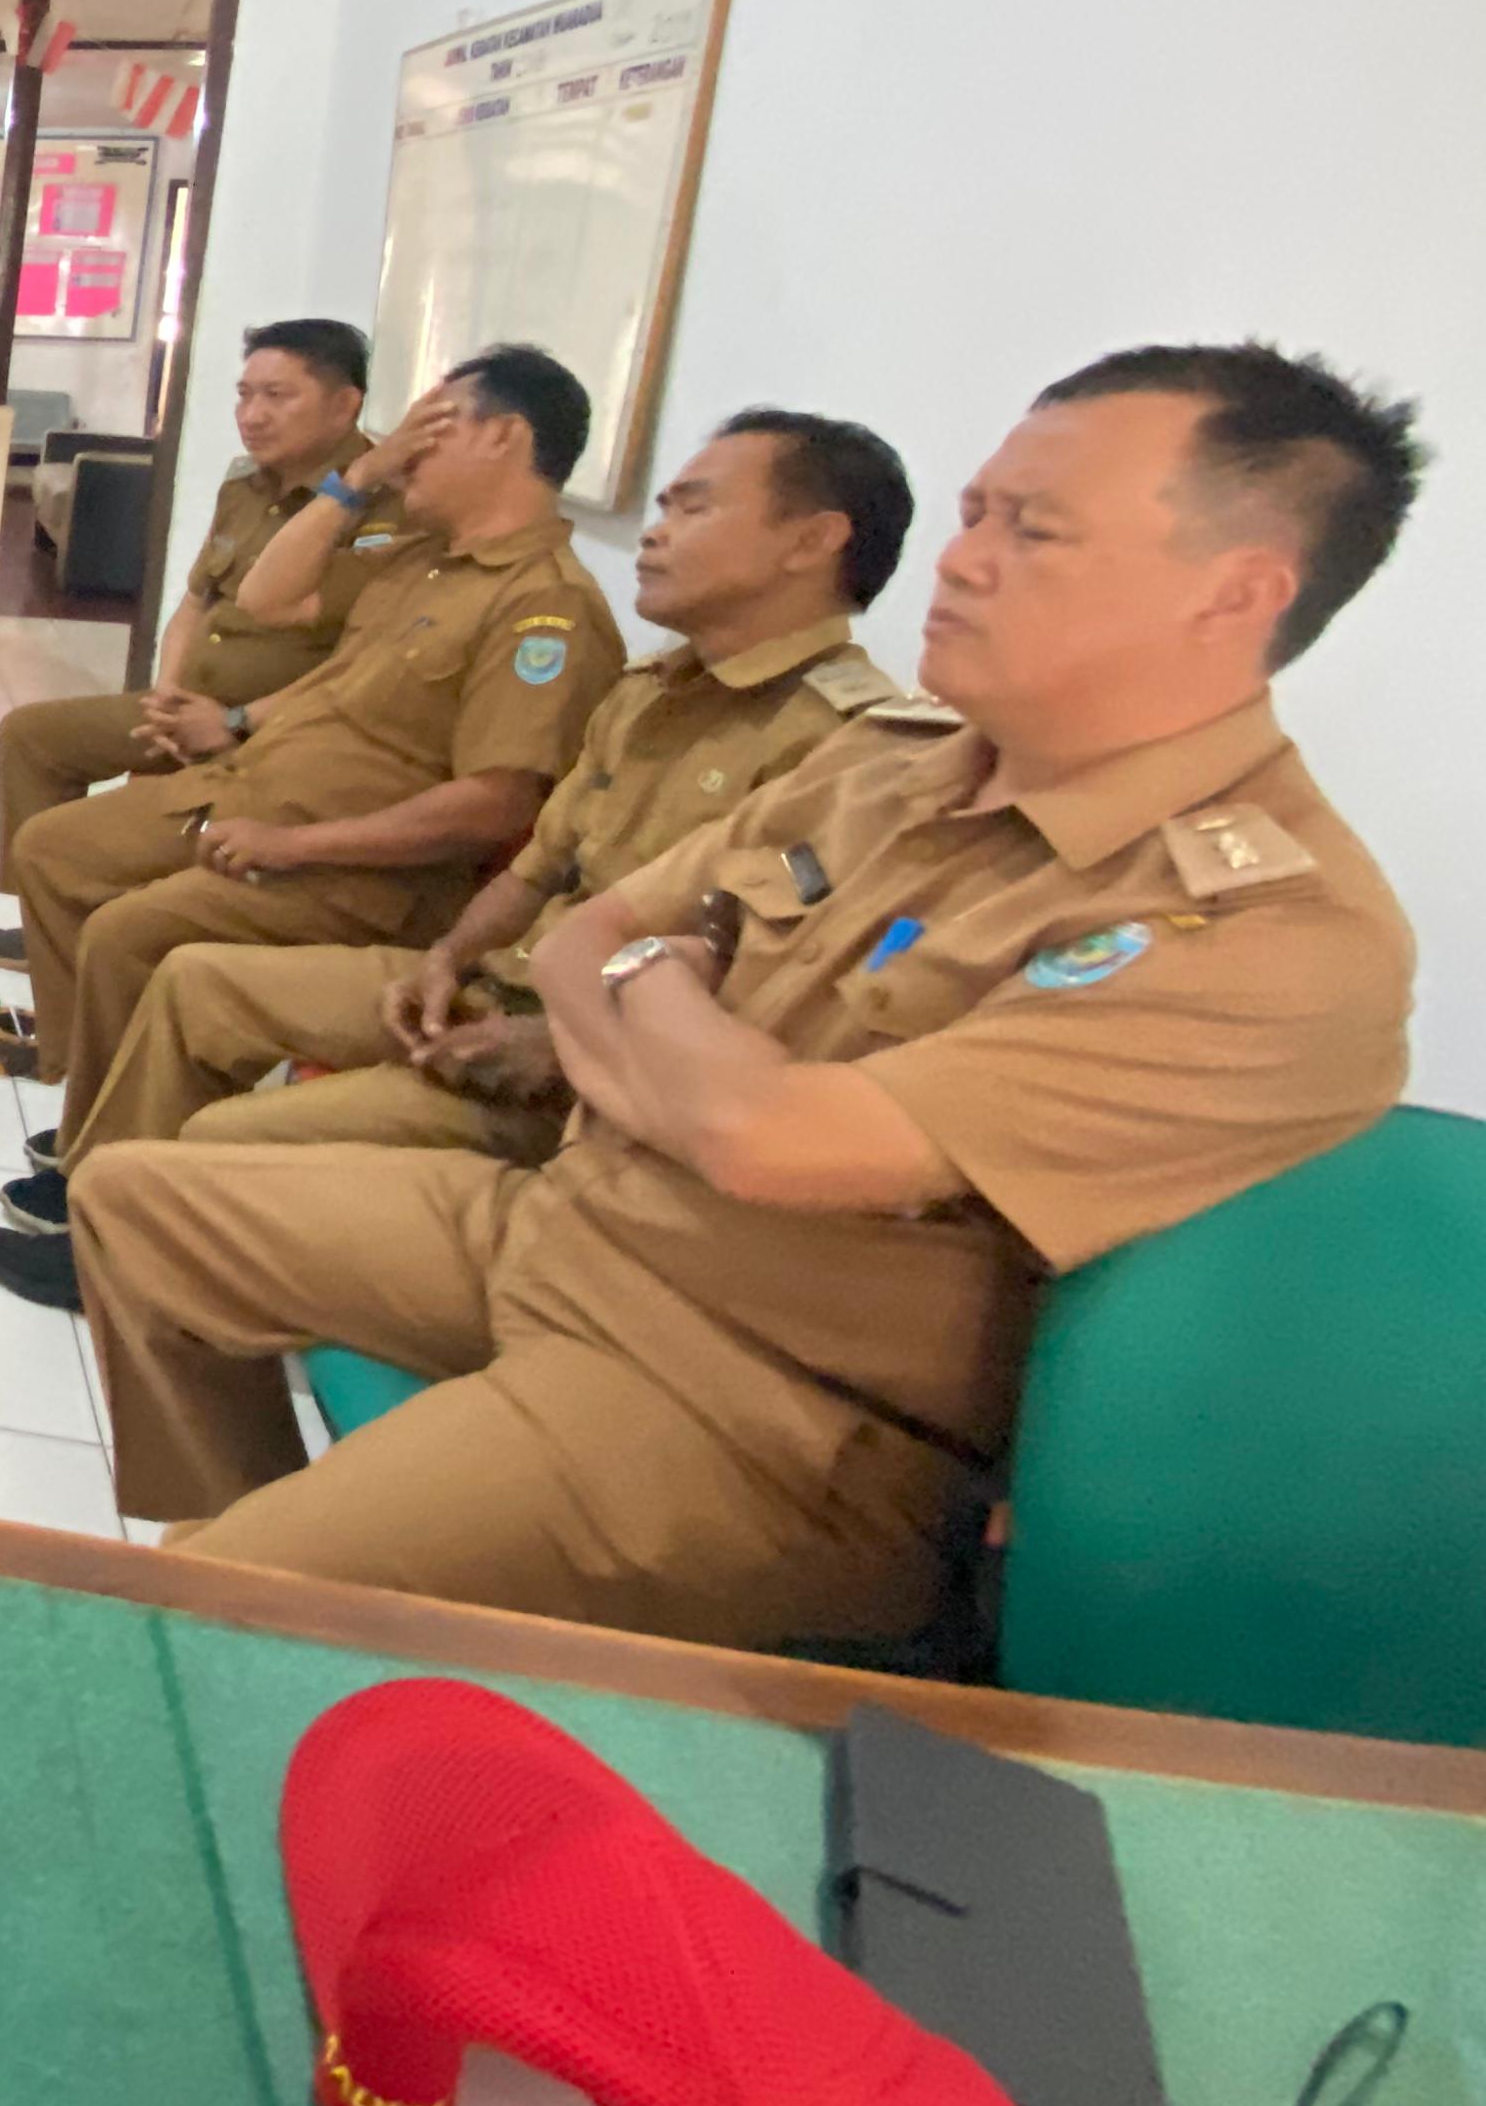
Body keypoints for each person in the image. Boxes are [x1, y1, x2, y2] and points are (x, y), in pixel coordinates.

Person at [74, 343, 1421, 1648]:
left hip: (747, 1402)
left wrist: (657, 997)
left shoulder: (1266, 932)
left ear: (1233, 594)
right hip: (575, 1228)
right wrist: (668, 1007)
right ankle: (277, 1603)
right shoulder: (895, 770)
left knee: (172, 1608)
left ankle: (239, 1610)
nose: (961, 561)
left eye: (1037, 532)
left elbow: (765, 1137)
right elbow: (582, 939)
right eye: (975, 515)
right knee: (135, 1206)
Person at [0, 411, 913, 1306]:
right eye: (660, 506)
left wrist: (556, 1041)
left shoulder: (842, 751)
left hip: (576, 1065)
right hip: (481, 977)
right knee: (190, 981)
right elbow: (538, 868)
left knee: (214, 1107)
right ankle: (101, 1196)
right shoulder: (648, 687)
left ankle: (123, 1242)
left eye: (693, 507)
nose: (656, 532)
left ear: (812, 541)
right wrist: (450, 959)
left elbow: (768, 996)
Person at [0, 345, 629, 1142]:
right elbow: (265, 597)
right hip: (257, 787)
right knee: (54, 849)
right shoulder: (428, 564)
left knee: (128, 934)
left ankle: (100, 1161)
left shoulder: (546, 608)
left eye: (431, 426)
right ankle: (86, 1093)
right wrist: (365, 473)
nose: (408, 444)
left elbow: (495, 805)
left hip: (354, 864)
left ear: (502, 437)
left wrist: (293, 844)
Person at [0, 317, 385, 972]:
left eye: (277, 396)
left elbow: (363, 666)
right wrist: (167, 694)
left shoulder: (384, 511)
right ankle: (45, 929)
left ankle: (76, 936)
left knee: (77, 839)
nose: (252, 415)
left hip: (271, 730)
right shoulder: (245, 486)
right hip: (193, 704)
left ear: (344, 404)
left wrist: (234, 721)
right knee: (33, 736)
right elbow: (195, 603)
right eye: (245, 394)